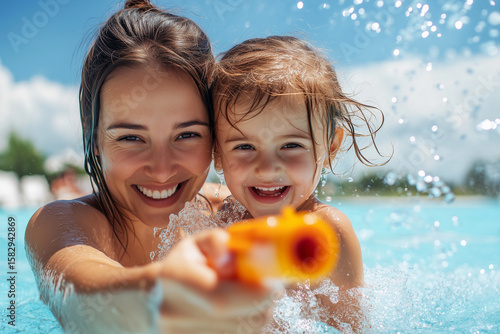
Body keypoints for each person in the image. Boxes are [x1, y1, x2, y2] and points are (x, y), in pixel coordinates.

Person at [25, 1, 273, 333]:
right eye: (130, 137)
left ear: (217, 134)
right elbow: (79, 295)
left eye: (186, 134)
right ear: (93, 135)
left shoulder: (237, 214)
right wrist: (161, 292)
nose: (160, 170)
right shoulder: (58, 224)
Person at [211, 35, 389, 332]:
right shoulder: (228, 216)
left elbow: (354, 327)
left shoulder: (328, 232)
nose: (267, 169)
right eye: (244, 147)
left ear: (330, 147)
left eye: (291, 145)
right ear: (217, 152)